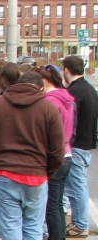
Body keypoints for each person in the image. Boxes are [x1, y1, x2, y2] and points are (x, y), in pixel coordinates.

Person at [0, 71, 65, 240]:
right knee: (33, 227)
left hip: (3, 172)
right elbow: (57, 150)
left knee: (10, 227)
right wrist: (46, 172)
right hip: (36, 174)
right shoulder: (48, 108)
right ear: (40, 87)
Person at [31, 65, 75, 240]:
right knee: (56, 204)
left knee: (51, 205)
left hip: (54, 155)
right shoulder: (67, 99)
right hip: (67, 153)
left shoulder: (50, 102)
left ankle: (56, 236)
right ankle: (58, 236)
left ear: (43, 81)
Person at [62, 55, 98, 237]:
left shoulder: (74, 93)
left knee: (76, 186)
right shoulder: (89, 89)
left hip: (76, 145)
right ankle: (79, 222)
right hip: (86, 143)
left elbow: (69, 121)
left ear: (67, 70)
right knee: (78, 185)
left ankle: (80, 223)